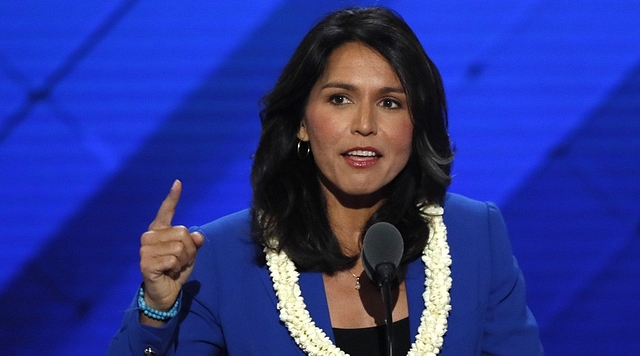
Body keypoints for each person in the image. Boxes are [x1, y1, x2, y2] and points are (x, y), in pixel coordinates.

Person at [109, 6, 543, 355]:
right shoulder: (221, 259)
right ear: (302, 121)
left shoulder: (474, 236)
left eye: (390, 103)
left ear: (417, 123)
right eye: (340, 99)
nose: (365, 125)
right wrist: (157, 311)